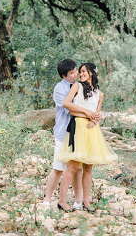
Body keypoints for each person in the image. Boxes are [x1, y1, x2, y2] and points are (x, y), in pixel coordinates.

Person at [56, 62, 117, 213]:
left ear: (91, 73)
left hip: (92, 131)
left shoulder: (99, 94)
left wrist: (95, 118)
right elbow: (66, 104)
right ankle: (62, 201)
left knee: (88, 168)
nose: (81, 74)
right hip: (78, 128)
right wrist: (87, 113)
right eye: (80, 72)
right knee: (73, 166)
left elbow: (96, 114)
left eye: (83, 71)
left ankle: (86, 202)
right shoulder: (77, 86)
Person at [41, 59, 84, 210]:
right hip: (63, 132)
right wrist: (88, 113)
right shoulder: (60, 89)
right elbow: (69, 109)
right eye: (72, 73)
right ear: (64, 75)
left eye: (76, 71)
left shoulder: (80, 85)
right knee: (58, 168)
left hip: (79, 133)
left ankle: (78, 201)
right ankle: (47, 199)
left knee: (77, 168)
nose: (76, 74)